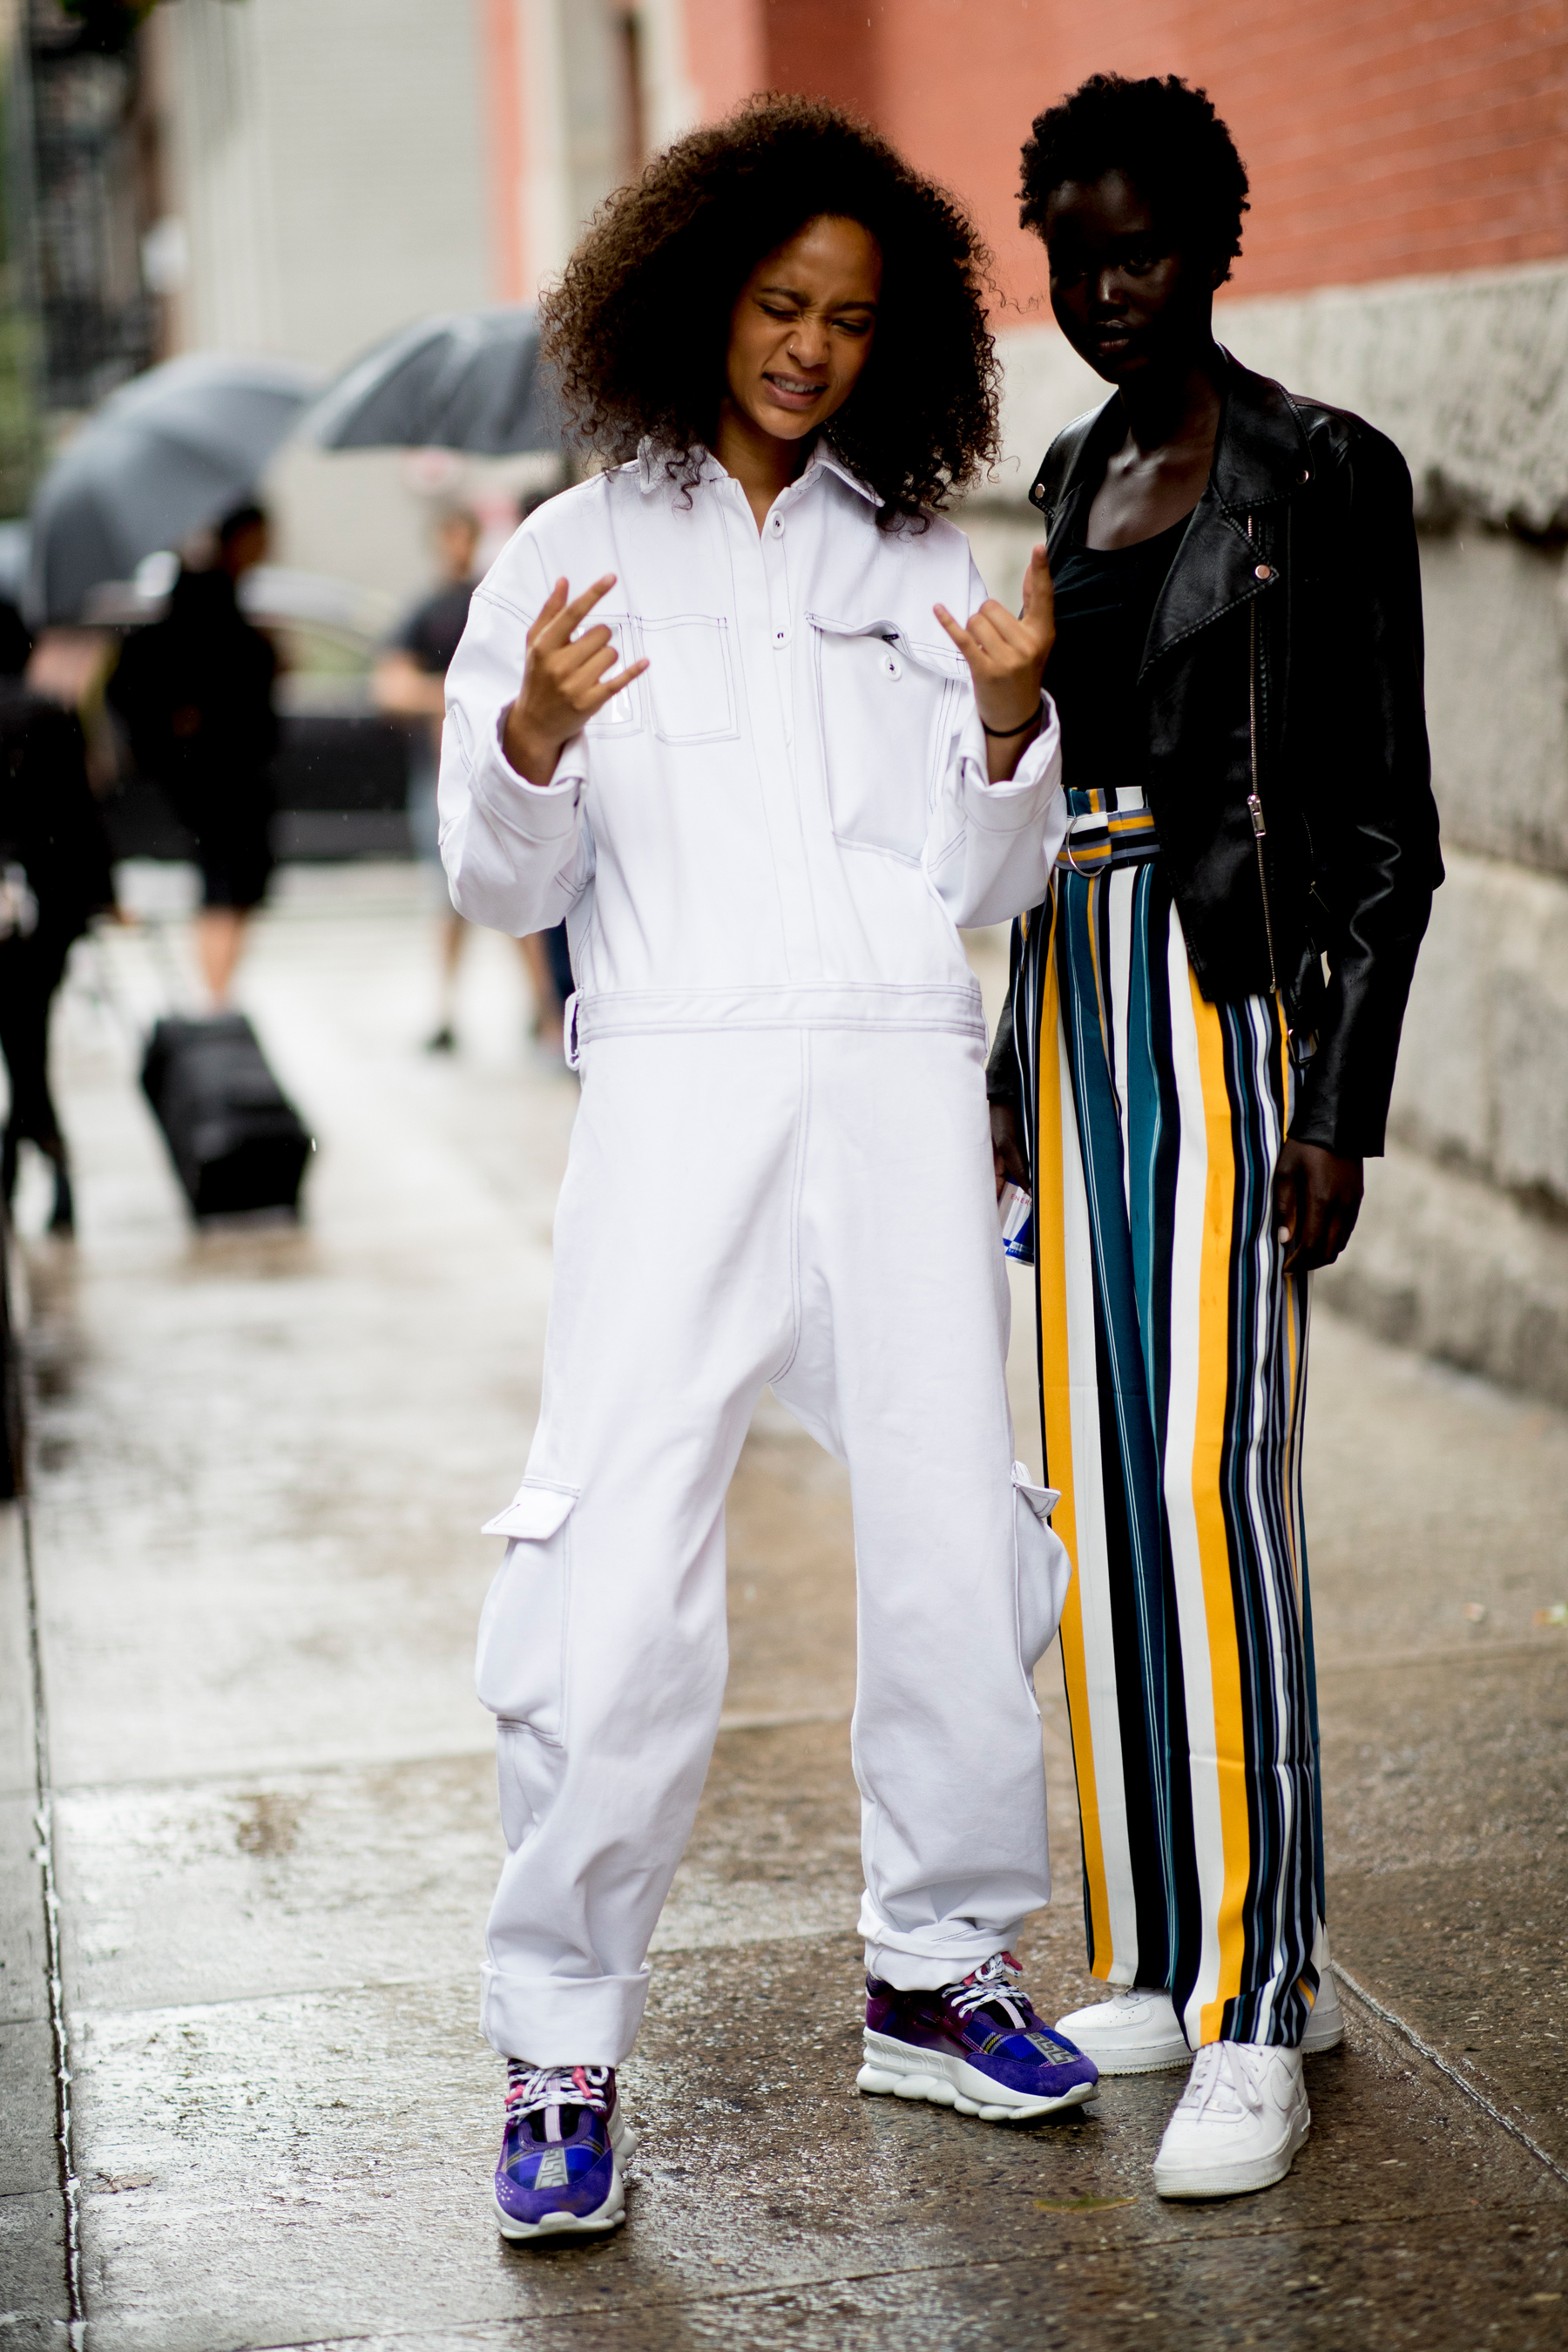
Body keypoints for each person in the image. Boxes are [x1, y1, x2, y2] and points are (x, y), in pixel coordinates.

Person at [441, 95, 1095, 2244]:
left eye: (851, 318)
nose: (810, 345)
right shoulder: (566, 557)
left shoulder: (910, 561)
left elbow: (985, 876)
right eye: (779, 302)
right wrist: (533, 739)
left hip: (898, 1079)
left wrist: (1007, 728)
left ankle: (939, 1965)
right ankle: (561, 2038)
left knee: (955, 1522)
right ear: (698, 294)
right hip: (676, 1089)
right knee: (617, 1557)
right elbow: (492, 873)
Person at [986, 74, 1442, 2201]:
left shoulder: (1318, 471)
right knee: (1100, 1491)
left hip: (1230, 1005)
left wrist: (1337, 1102)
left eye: (1142, 248)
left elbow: (1389, 832)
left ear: (1217, 242)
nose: (1107, 288)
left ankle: (1266, 2002)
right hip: (1074, 994)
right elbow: (1040, 794)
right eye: (1074, 256)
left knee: (1209, 1489)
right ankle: (1165, 1956)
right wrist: (1012, 1061)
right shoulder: (1067, 474)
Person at [375, 501, 573, 1060]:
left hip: (509, 761)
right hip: (443, 771)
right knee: (450, 897)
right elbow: (389, 686)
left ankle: (543, 1010)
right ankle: (448, 1009)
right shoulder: (427, 611)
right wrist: (452, 698)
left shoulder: (499, 596)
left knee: (523, 886)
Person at [107, 503, 279, 1007]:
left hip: (223, 765)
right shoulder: (205, 597)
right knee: (227, 880)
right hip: (218, 769)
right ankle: (215, 999)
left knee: (233, 880)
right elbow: (168, 675)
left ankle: (217, 995)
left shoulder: (220, 593)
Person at [0, 599, 116, 1234]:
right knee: (29, 1042)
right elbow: (80, 815)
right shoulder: (50, 713)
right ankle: (48, 1165)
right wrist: (104, 896)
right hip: (46, 907)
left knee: (20, 1051)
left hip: (26, 903)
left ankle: (27, 1168)